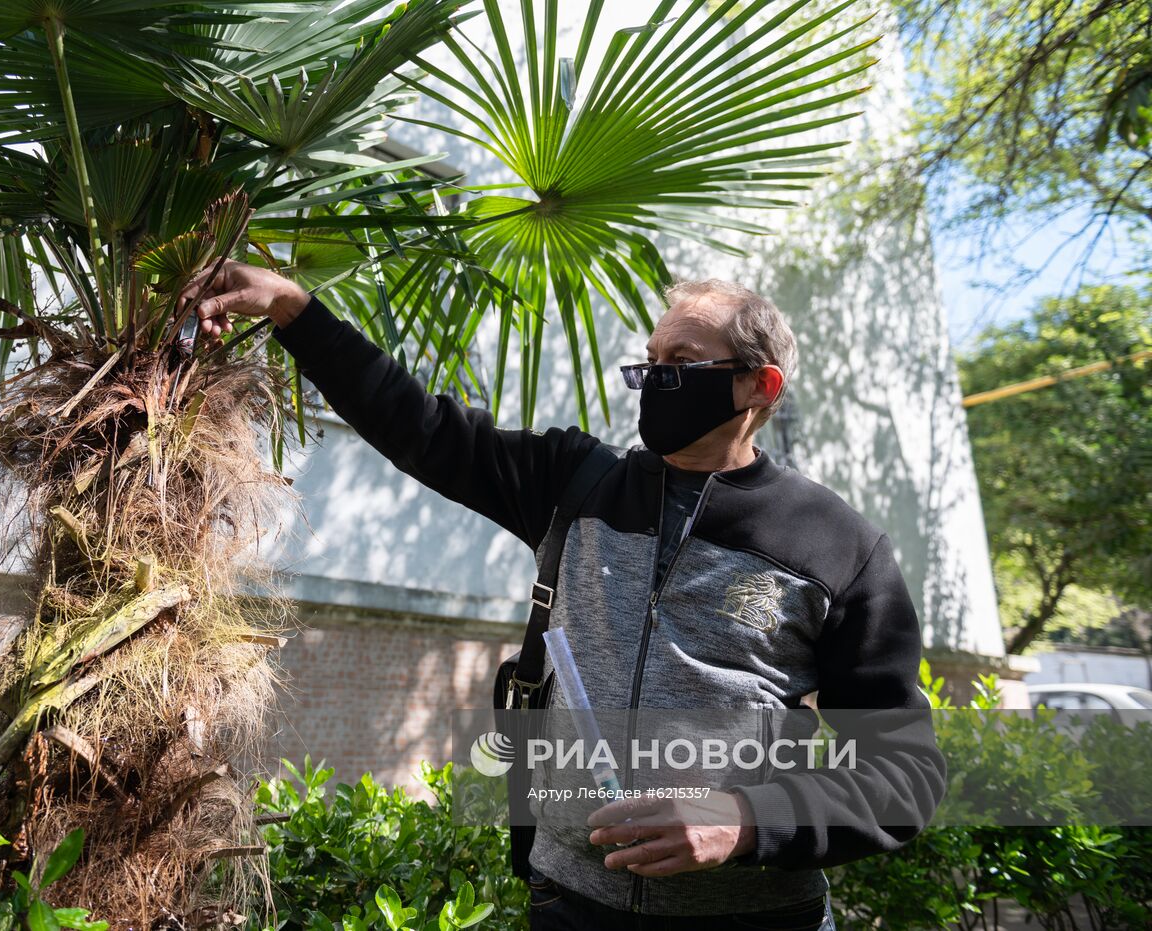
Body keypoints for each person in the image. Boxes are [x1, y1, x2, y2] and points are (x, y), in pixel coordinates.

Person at [178, 263, 947, 930]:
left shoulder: (836, 544)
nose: (654, 377)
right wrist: (291, 309)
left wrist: (744, 821)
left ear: (758, 384)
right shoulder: (577, 482)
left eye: (681, 360)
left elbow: (902, 775)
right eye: (649, 359)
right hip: (570, 906)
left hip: (751, 914)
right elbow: (417, 424)